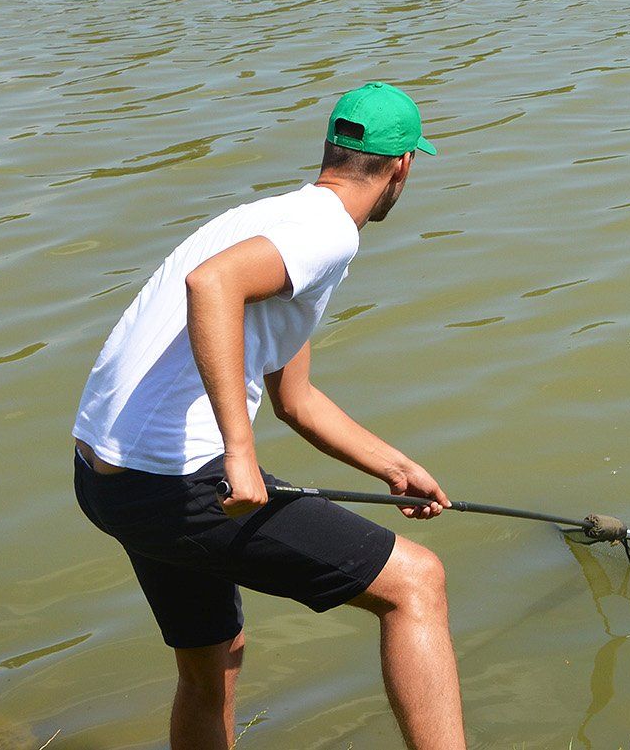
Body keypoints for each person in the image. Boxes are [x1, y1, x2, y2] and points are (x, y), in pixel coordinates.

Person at [72, 82, 466, 750]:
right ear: (404, 167)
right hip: (180, 480)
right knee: (415, 582)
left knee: (212, 661)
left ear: (330, 152)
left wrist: (396, 467)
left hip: (109, 481)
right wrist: (239, 449)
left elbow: (297, 397)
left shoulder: (269, 220)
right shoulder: (326, 233)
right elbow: (212, 284)